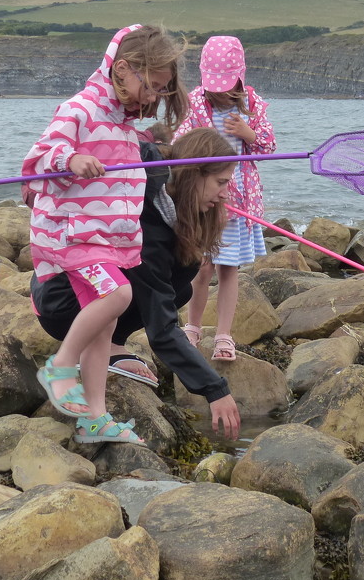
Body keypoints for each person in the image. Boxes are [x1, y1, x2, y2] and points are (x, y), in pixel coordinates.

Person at [21, 24, 188, 446]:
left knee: (105, 326)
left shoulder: (125, 126)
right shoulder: (81, 107)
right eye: (150, 86)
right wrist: (71, 158)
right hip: (70, 237)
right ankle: (60, 367)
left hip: (107, 242)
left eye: (161, 91)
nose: (152, 97)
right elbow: (39, 158)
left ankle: (94, 418)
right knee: (119, 296)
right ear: (124, 68)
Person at [30, 128, 242, 440]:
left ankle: (111, 353)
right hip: (60, 302)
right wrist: (215, 389)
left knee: (180, 284)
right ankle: (63, 365)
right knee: (138, 290)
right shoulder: (147, 225)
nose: (225, 193)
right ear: (193, 175)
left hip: (91, 292)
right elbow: (162, 329)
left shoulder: (167, 202)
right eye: (220, 183)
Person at [172, 36, 276, 361]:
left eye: (225, 88)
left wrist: (249, 135)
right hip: (205, 204)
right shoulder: (196, 103)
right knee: (201, 268)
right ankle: (192, 328)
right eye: (214, 87)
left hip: (238, 204)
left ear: (239, 78)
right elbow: (180, 143)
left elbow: (268, 147)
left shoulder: (253, 105)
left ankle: (224, 336)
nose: (218, 94)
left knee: (228, 270)